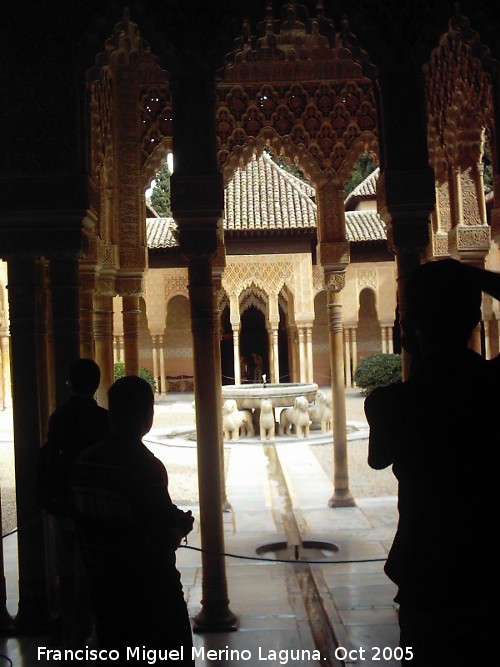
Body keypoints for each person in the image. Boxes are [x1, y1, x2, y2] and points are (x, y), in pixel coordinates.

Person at [365, 259, 500, 666]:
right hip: (489, 574)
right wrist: (471, 276)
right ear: (475, 317)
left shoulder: (391, 405)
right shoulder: (494, 389)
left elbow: (376, 459)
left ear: (405, 328)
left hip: (427, 577)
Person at [71, 375, 194, 663]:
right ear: (147, 414)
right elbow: (160, 541)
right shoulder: (144, 466)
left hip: (104, 592)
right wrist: (180, 527)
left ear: (111, 410)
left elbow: (81, 528)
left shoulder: (83, 462)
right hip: (149, 597)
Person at [37, 358, 110, 648]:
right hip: (94, 506)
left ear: (69, 382)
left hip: (64, 504)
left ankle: (70, 631)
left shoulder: (60, 417)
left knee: (66, 568)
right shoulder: (103, 419)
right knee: (94, 566)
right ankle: (92, 626)